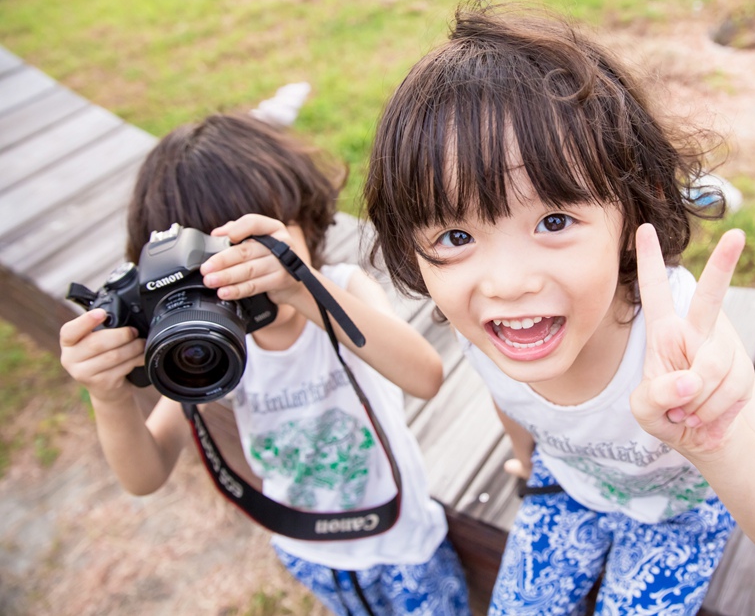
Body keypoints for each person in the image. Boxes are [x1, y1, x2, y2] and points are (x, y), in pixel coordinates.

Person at [364, 1, 755, 615]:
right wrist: (525, 458)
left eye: (554, 220)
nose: (506, 285)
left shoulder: (678, 340)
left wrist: (715, 441)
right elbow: (511, 401)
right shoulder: (482, 328)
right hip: (570, 487)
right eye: (456, 238)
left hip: (681, 509)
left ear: (627, 215)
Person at [59, 113, 470, 616]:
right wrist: (109, 396)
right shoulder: (212, 344)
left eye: (253, 245)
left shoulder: (340, 289)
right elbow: (145, 476)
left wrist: (301, 288)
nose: (245, 271)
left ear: (303, 219)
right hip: (305, 547)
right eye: (213, 261)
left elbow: (425, 376)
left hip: (404, 541)